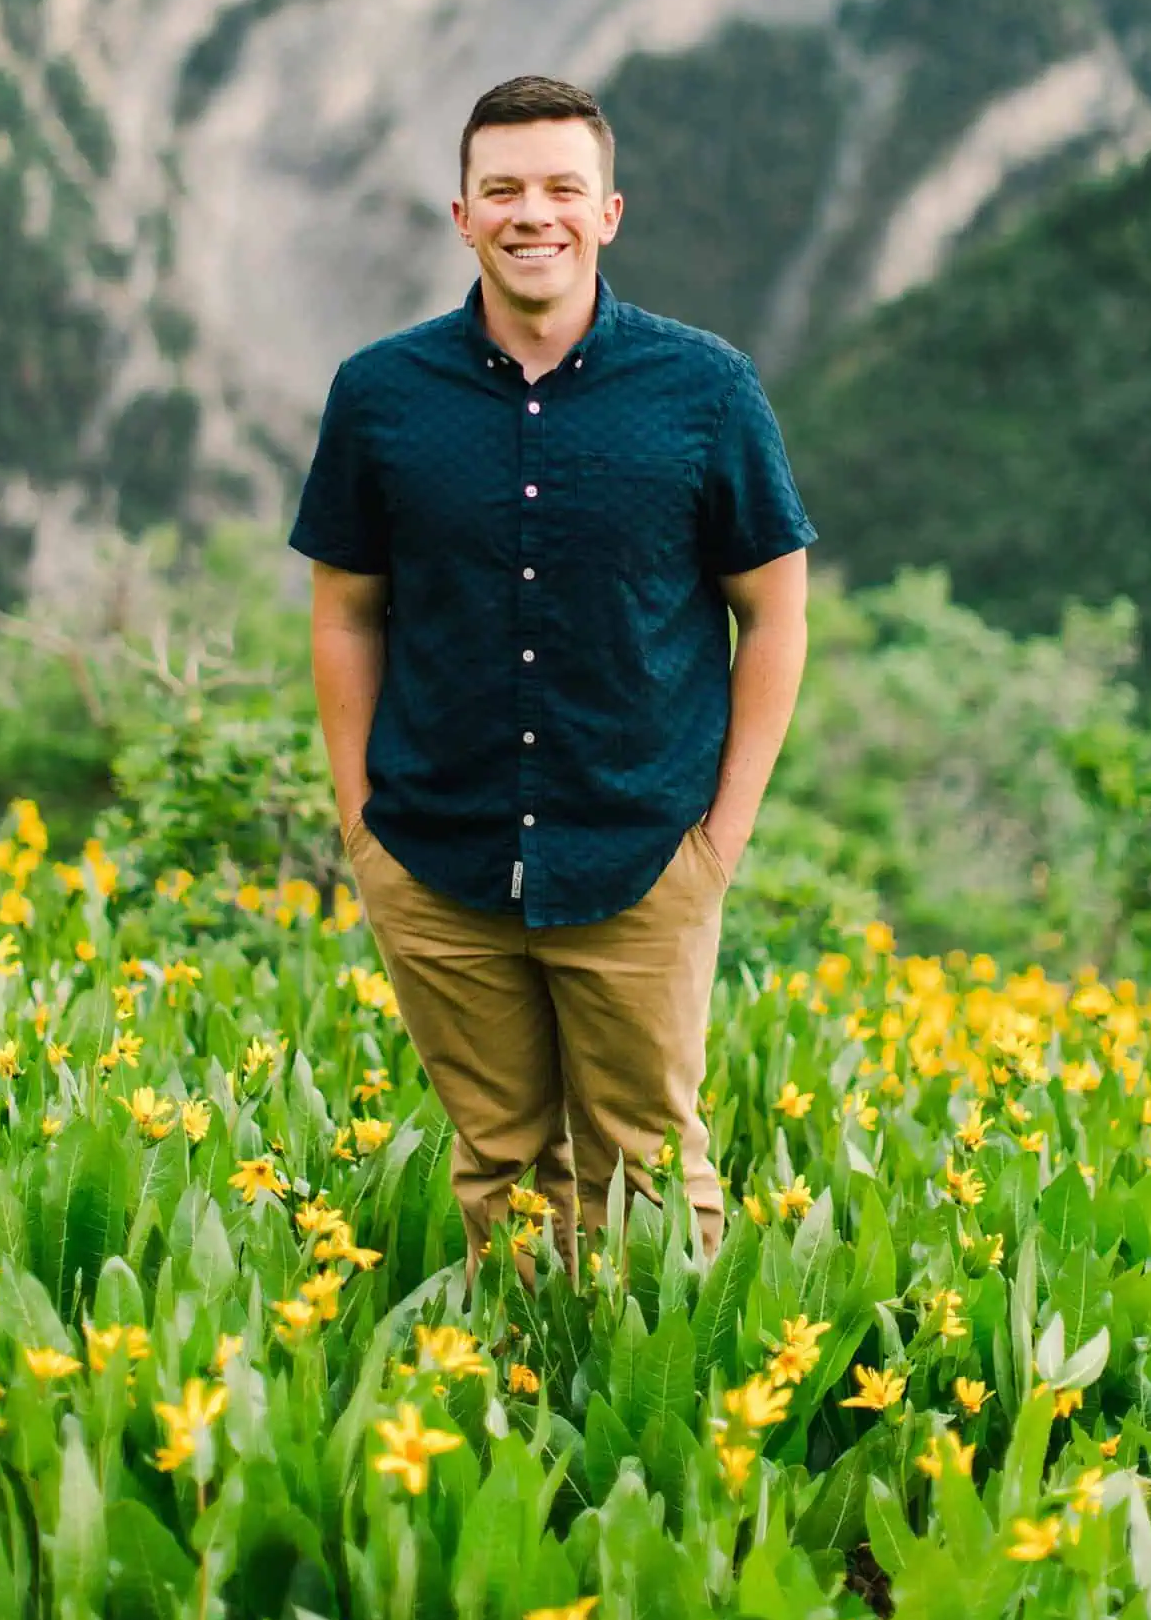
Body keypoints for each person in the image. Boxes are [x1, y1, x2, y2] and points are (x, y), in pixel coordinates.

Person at [288, 73, 817, 1278]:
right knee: (499, 1167)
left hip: (642, 854)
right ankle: (522, 1418)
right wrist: (357, 823)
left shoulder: (705, 390)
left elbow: (774, 615)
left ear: (610, 211)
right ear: (461, 214)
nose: (536, 214)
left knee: (647, 1169)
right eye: (505, 190)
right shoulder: (380, 394)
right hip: (434, 852)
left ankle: (665, 1433)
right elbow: (345, 613)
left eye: (562, 188)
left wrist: (718, 841)